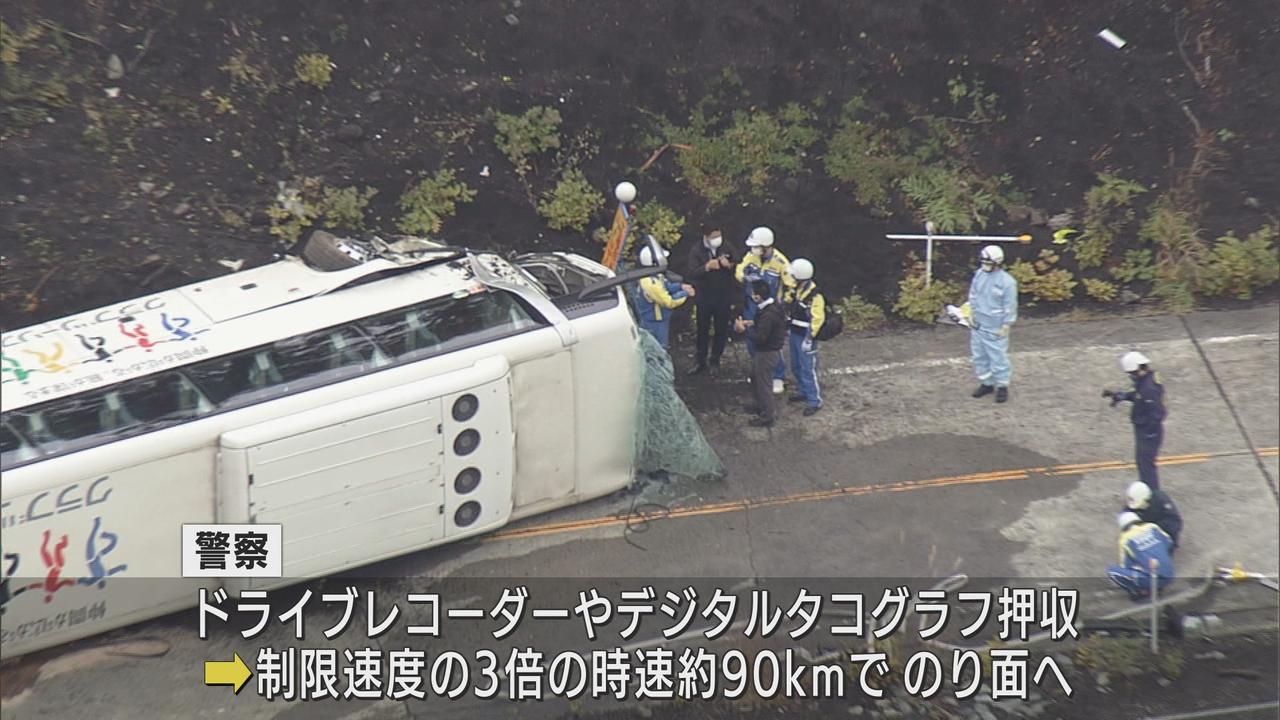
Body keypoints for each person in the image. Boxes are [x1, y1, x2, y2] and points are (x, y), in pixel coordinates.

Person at [735, 226, 792, 395]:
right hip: (751, 306)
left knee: (772, 344)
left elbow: (791, 285)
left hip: (771, 310)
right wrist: (745, 277)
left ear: (766, 246)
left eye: (756, 246)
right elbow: (739, 271)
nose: (753, 249)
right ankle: (759, 372)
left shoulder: (781, 262)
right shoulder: (751, 256)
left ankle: (777, 376)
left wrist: (784, 305)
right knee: (752, 341)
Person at [1103, 351, 1167, 489]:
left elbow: (1157, 413)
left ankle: (1151, 495)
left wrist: (1150, 433)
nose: (1131, 376)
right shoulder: (1147, 381)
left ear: (1140, 369)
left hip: (1148, 433)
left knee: (1146, 466)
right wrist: (1123, 396)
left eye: (1132, 373)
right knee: (1142, 463)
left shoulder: (1149, 389)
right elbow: (1138, 396)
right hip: (1145, 430)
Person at [968, 245, 1018, 403]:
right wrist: (971, 313)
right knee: (979, 356)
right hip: (978, 324)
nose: (985, 266)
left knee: (998, 357)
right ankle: (986, 383)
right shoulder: (979, 275)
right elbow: (973, 295)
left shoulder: (1007, 282)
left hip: (995, 327)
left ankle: (1002, 386)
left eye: (988, 263)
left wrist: (1006, 325)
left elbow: (1010, 306)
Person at [734, 280, 787, 428]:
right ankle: (760, 405)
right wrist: (750, 323)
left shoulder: (768, 314)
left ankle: (768, 415)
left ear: (757, 296)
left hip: (766, 353)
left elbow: (760, 337)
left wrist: (743, 329)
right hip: (767, 352)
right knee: (756, 377)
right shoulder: (771, 308)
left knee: (764, 384)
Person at [684, 225, 735, 374]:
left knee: (721, 329)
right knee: (702, 330)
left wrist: (729, 265)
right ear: (706, 236)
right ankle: (700, 361)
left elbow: (736, 262)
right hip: (704, 296)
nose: (717, 240)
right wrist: (706, 267)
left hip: (723, 296)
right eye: (714, 236)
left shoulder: (726, 246)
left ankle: (715, 360)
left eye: (719, 235)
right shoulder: (697, 250)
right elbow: (692, 272)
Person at [783, 258, 825, 416]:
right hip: (794, 333)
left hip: (805, 337)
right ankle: (803, 391)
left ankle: (814, 400)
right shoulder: (797, 290)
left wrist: (810, 338)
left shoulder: (815, 296)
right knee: (796, 365)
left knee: (808, 369)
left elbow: (817, 319)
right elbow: (788, 301)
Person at [634, 245, 694, 350]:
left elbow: (666, 286)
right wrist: (685, 293)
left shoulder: (655, 275)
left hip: (660, 319)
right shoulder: (650, 283)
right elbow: (668, 302)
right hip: (653, 323)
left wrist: (681, 286)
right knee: (657, 350)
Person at [1106, 511, 1174, 601]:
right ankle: (1156, 586)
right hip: (1170, 575)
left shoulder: (1125, 538)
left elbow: (1126, 566)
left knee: (1111, 571)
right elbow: (1169, 542)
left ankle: (1138, 592)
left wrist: (1140, 560)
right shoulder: (1152, 527)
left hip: (1152, 581)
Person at [1124, 481, 1182, 552]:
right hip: (1145, 530)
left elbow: (1175, 523)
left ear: (1146, 499)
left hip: (1162, 532)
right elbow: (1126, 514)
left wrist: (1152, 529)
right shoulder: (1135, 501)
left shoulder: (1161, 501)